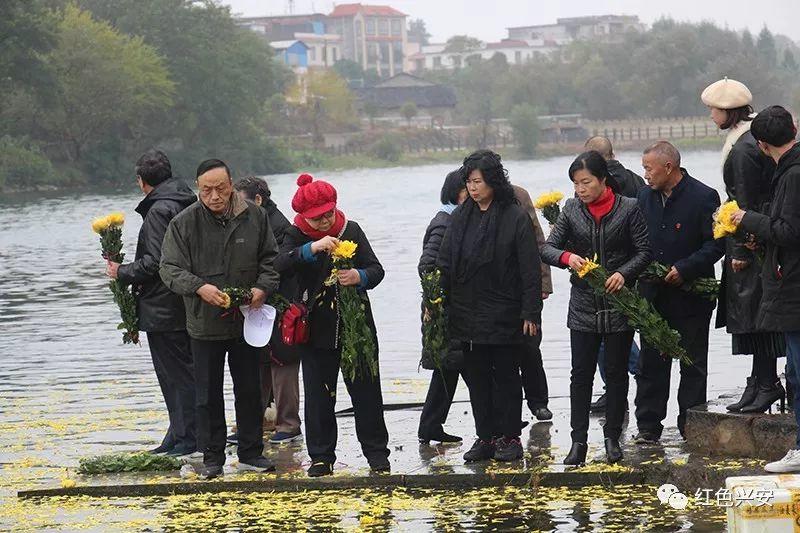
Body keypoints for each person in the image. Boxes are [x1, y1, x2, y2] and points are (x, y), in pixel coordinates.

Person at [160, 159, 280, 479]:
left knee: (250, 388)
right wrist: (199, 287)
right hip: (204, 321)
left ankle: (251, 452)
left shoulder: (255, 216)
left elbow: (271, 259)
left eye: (221, 189)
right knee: (207, 394)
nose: (214, 196)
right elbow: (169, 269)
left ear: (231, 185)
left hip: (245, 318)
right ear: (199, 189)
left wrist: (261, 288)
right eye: (206, 190)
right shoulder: (183, 223)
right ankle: (213, 457)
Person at [274, 173, 390, 477]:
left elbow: (376, 270)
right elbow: (279, 265)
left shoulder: (351, 230)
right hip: (315, 330)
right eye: (317, 218)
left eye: (328, 214)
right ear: (303, 217)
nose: (325, 222)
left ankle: (377, 455)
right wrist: (311, 249)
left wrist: (359, 277)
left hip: (357, 329)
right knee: (318, 396)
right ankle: (322, 457)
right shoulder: (295, 235)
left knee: (366, 392)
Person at [541, 151, 651, 465]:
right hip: (583, 305)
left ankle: (613, 438)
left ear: (603, 179)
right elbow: (547, 248)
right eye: (576, 184)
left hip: (618, 302)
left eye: (586, 182)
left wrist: (623, 273)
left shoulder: (629, 208)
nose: (580, 190)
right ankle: (578, 442)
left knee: (616, 374)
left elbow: (644, 251)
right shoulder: (571, 210)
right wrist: (567, 258)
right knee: (581, 375)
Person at [436, 149, 543, 463]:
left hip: (505, 312)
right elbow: (444, 262)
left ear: (493, 181)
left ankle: (510, 437)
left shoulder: (514, 216)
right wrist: (436, 300)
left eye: (479, 181)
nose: (473, 187)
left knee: (508, 377)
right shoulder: (460, 217)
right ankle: (485, 436)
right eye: (469, 181)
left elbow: (529, 268)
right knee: (478, 380)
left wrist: (530, 312)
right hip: (467, 314)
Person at [105, 149, 198, 457]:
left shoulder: (159, 210)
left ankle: (188, 439)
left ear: (142, 181)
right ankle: (178, 434)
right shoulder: (186, 201)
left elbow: (157, 262)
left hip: (164, 306)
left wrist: (122, 271)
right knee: (183, 372)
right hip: (184, 302)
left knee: (175, 375)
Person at [702, 78, 786, 413]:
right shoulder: (752, 140)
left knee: (754, 313)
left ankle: (765, 382)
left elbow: (743, 204)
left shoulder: (743, 150)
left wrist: (737, 251)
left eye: (714, 110)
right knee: (755, 312)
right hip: (760, 237)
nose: (710, 115)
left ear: (728, 111)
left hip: (750, 243)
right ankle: (758, 380)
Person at [634, 141, 724, 442]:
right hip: (652, 298)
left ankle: (692, 423)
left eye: (649, 168)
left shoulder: (703, 196)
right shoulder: (643, 197)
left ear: (668, 167)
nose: (645, 174)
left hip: (691, 296)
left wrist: (685, 268)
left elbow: (716, 244)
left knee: (693, 363)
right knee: (651, 364)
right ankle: (648, 425)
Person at [731, 106, 800, 471]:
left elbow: (789, 231)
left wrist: (748, 220)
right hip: (790, 278)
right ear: (795, 128)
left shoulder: (791, 175)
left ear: (761, 144)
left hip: (793, 286)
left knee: (798, 369)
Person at [234, 176, 302, 444]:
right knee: (256, 365)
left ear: (258, 200)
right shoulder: (249, 223)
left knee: (282, 364)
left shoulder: (281, 228)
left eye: (239, 201)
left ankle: (288, 423)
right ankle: (254, 422)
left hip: (280, 305)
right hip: (256, 306)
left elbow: (277, 267)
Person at [584, 135, 643, 413]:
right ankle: (639, 375)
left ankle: (628, 378)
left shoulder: (600, 186)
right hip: (634, 266)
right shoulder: (636, 180)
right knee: (622, 329)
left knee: (606, 331)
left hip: (607, 269)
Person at [417, 168, 468, 444]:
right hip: (445, 311)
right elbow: (427, 266)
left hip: (452, 310)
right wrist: (438, 301)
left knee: (450, 369)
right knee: (453, 367)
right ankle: (497, 423)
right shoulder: (444, 223)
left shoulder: (452, 219)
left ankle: (430, 426)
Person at [513, 184, 554, 422]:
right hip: (495, 293)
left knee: (530, 346)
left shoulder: (519, 195)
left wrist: (543, 284)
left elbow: (539, 240)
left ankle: (538, 402)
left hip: (527, 287)